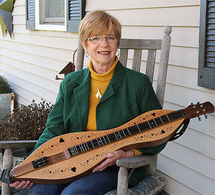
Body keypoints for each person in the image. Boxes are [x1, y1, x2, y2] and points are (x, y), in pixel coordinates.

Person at [10, 10, 166, 195]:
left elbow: (160, 132)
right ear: (85, 44)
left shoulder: (138, 84)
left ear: (118, 42)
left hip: (113, 167)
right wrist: (32, 163)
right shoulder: (71, 83)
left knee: (72, 194)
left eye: (111, 37)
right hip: (69, 162)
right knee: (40, 192)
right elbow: (53, 129)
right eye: (96, 38)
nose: (104, 44)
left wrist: (126, 154)